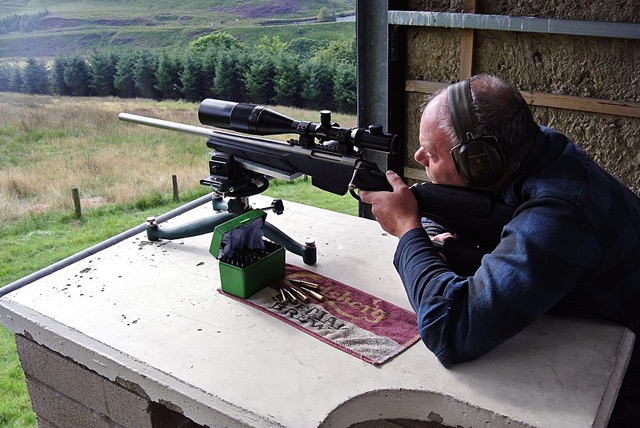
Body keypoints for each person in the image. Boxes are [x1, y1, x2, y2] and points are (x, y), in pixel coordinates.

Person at [359, 74, 640, 427]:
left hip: (619, 384)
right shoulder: (539, 150)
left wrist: (406, 230)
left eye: (430, 153)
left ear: (480, 162)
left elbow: (451, 330)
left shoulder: (562, 210)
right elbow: (461, 215)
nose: (417, 157)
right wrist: (437, 238)